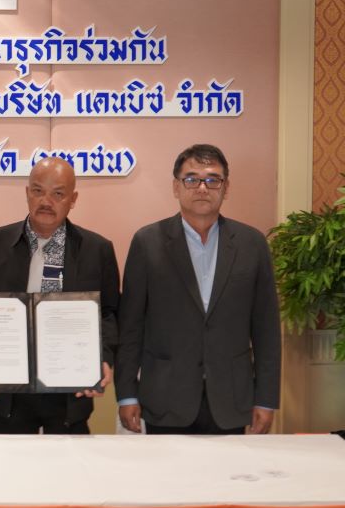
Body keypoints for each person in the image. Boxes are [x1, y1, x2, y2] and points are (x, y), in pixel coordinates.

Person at [115, 144, 281, 435]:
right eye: (191, 179)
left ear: (226, 188)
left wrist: (266, 399)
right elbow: (131, 326)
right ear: (176, 187)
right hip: (165, 398)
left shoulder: (252, 244)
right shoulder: (147, 242)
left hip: (231, 399)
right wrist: (127, 394)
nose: (202, 188)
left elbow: (266, 329)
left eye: (212, 179)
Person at [0, 156, 119, 434]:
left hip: (71, 387)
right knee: (8, 462)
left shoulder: (97, 249)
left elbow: (109, 313)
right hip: (7, 389)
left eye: (58, 194)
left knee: (69, 461)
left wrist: (103, 359)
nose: (46, 201)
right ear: (27, 193)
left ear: (73, 199)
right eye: (38, 191)